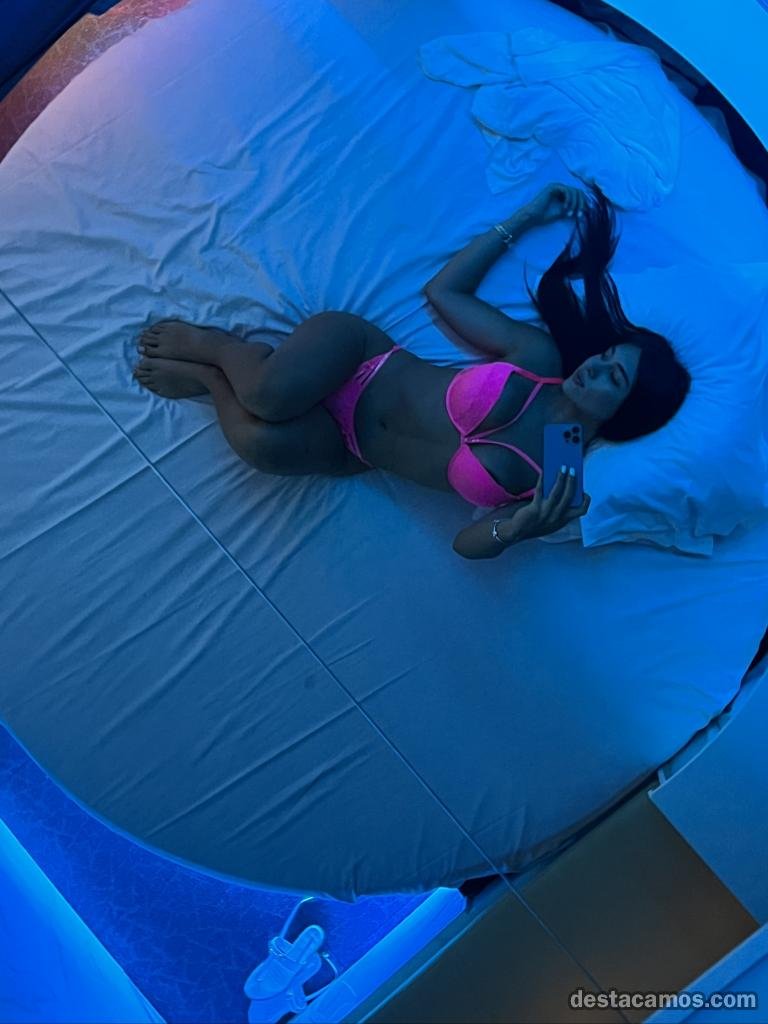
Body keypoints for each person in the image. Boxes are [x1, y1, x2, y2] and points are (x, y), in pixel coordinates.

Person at [132, 183, 691, 559]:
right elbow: (445, 292)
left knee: (262, 446)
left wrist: (517, 528)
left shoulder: (561, 468)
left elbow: (466, 545)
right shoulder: (541, 361)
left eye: (613, 378)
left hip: (352, 449)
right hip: (360, 361)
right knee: (264, 396)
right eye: (606, 356)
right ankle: (218, 347)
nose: (594, 366)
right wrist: (526, 217)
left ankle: (210, 381)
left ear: (624, 413)